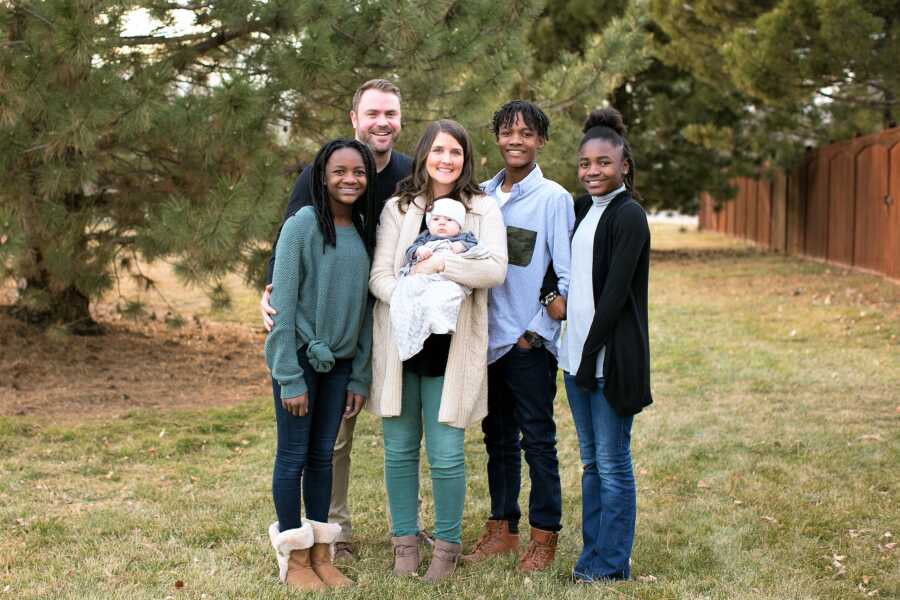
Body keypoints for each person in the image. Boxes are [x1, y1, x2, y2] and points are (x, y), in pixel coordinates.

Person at [260, 79, 415, 560]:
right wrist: (270, 296)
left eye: (390, 113)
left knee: (392, 431)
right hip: (315, 334)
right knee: (324, 447)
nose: (382, 122)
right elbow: (288, 248)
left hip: (384, 324)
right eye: (372, 113)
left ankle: (402, 531)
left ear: (400, 119)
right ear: (355, 118)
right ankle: (333, 532)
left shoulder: (412, 173)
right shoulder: (316, 178)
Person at [368, 119, 507, 582]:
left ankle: (446, 547)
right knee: (399, 450)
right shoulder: (398, 208)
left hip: (452, 347)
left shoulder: (482, 208)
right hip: (403, 344)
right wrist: (414, 292)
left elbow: (494, 270)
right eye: (439, 151)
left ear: (466, 160)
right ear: (424, 153)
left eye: (457, 153)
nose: (447, 160)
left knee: (447, 452)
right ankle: (404, 543)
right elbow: (381, 277)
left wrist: (442, 262)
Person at [464, 100, 574, 572]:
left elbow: (567, 279)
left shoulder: (553, 199)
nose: (516, 140)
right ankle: (502, 528)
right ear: (496, 137)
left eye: (527, 133)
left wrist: (537, 333)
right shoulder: (481, 197)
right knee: (497, 439)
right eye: (508, 132)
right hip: (485, 341)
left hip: (526, 344)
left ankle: (544, 536)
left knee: (538, 441)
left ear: (540, 141)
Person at [265, 139, 377, 590]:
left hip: (341, 367)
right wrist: (289, 376)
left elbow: (368, 312)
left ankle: (321, 554)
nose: (350, 179)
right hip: (301, 362)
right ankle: (293, 559)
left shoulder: (366, 229)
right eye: (340, 171)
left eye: (359, 172)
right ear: (322, 176)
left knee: (323, 459)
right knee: (293, 456)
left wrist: (360, 374)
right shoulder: (303, 225)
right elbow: (283, 305)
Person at [559, 107, 652, 582]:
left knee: (613, 465)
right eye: (585, 164)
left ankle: (612, 565)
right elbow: (568, 278)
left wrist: (587, 358)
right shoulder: (580, 211)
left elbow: (613, 299)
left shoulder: (629, 215)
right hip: (574, 360)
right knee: (592, 464)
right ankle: (590, 559)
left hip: (608, 363)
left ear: (623, 166)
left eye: (603, 163)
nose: (593, 171)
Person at [390, 197, 484, 361]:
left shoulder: (464, 237)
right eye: (436, 219)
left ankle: (442, 323)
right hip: (424, 279)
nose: (441, 223)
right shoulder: (425, 237)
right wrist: (419, 251)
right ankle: (412, 327)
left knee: (447, 295)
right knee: (410, 291)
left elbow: (476, 247)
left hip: (448, 279)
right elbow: (410, 250)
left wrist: (462, 247)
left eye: (449, 220)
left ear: (459, 225)